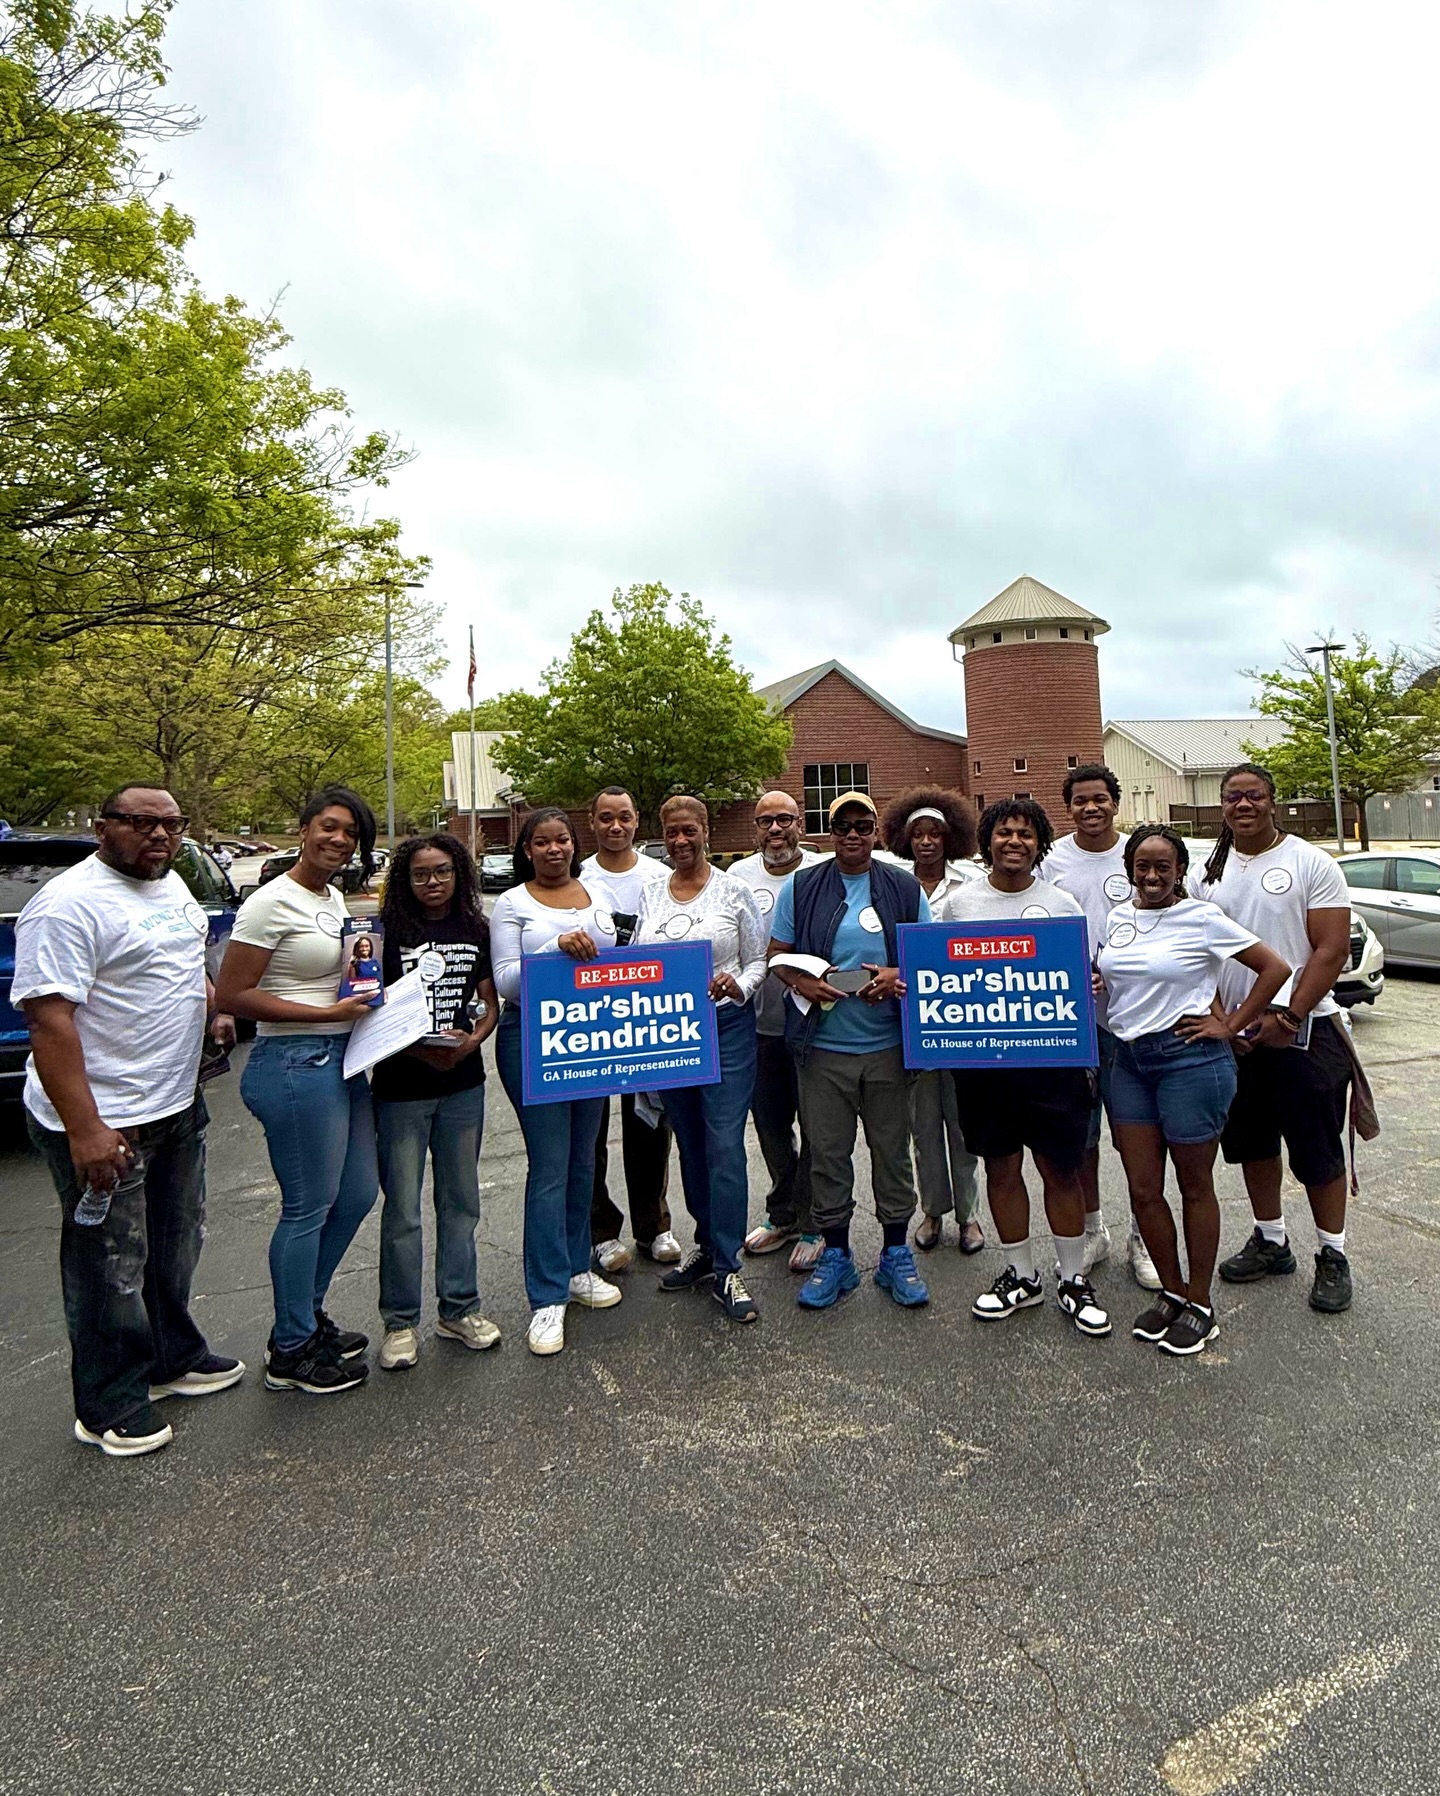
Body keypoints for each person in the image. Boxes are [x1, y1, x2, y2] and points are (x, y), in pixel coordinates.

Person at [15, 783, 244, 1458]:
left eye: (171, 824)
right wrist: (85, 1129)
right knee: (108, 1268)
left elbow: (182, 964)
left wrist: (213, 1007)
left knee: (174, 1245)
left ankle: (172, 1357)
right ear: (102, 827)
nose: (159, 836)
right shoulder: (66, 905)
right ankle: (108, 1403)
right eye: (141, 823)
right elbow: (49, 1022)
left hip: (175, 1104)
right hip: (107, 1118)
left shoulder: (168, 884)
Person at [1095, 825, 1290, 1355]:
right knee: (1142, 1189)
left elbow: (1274, 968)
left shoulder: (1202, 917)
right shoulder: (1119, 918)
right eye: (1142, 866)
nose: (1152, 875)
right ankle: (1173, 1292)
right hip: (1129, 1061)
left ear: (1180, 870)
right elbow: (1123, 973)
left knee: (1194, 1185)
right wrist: (1104, 980)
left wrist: (1231, 1025)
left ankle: (1200, 1303)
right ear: (1129, 869)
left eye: (1163, 866)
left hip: (1190, 1060)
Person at [217, 785, 381, 1396]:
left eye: (350, 834)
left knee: (357, 1193)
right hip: (294, 1061)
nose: (339, 840)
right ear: (304, 828)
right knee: (308, 1207)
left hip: (344, 1058)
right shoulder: (269, 902)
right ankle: (291, 1350)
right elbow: (233, 994)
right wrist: (324, 1015)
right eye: (329, 827)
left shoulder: (332, 897)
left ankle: (304, 1318)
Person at [934, 798, 1110, 1338]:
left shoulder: (1061, 904)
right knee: (1001, 1169)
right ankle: (1021, 1275)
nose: (1015, 842)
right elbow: (937, 970)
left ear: (1039, 845)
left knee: (1061, 1169)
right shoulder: (959, 905)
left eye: (1026, 834)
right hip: (984, 1064)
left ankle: (1073, 1278)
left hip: (1052, 1062)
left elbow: (1083, 969)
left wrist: (1089, 980)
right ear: (987, 840)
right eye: (1005, 832)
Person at [1191, 763, 1358, 1312]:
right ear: (1222, 804)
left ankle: (1332, 1254)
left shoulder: (1310, 862)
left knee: (1316, 1149)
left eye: (1254, 795)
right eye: (1233, 797)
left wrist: (1287, 1017)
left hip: (1302, 1031)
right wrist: (1227, 1022)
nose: (1244, 805)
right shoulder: (1205, 873)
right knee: (1253, 1144)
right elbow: (1197, 955)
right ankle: (1271, 1240)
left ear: (1272, 801)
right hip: (1236, 1034)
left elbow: (1331, 949)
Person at [768, 791, 932, 1311]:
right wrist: (804, 983)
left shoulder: (903, 887)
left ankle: (895, 1253)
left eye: (863, 826)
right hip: (823, 1048)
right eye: (843, 827)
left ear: (877, 832)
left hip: (888, 1045)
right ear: (830, 831)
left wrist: (898, 973)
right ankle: (836, 1254)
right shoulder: (802, 886)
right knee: (828, 1155)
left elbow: (931, 957)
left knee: (892, 1153)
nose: (853, 835)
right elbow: (777, 955)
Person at [491, 808, 621, 1356]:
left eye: (562, 839)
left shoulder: (598, 895)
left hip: (593, 1035)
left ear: (574, 844)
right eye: (541, 842)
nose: (553, 849)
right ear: (527, 850)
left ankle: (575, 1268)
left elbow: (622, 957)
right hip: (534, 1038)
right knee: (549, 1167)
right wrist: (554, 947)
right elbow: (505, 982)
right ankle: (546, 1296)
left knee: (582, 1161)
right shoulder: (511, 903)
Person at [371, 834, 501, 1371]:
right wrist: (414, 1046)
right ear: (405, 879)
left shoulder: (475, 928)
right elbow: (368, 1006)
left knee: (461, 1202)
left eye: (443, 871)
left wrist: (473, 1041)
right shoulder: (386, 933)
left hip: (463, 1084)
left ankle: (459, 1308)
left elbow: (489, 1003)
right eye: (421, 873)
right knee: (402, 1209)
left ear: (458, 874)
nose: (432, 882)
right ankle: (400, 1322)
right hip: (401, 1087)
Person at [635, 795, 767, 1324]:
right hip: (672, 1033)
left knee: (723, 1144)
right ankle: (707, 1246)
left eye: (689, 830)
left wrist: (739, 985)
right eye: (672, 832)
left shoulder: (734, 890)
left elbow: (758, 960)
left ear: (706, 830)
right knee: (689, 1142)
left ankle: (729, 1263)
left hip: (726, 1028)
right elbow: (639, 959)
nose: (680, 840)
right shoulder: (651, 892)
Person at [1044, 763, 1159, 1286]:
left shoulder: (1140, 855)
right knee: (1082, 1136)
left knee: (1138, 1136)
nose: (1091, 808)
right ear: (1068, 807)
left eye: (1100, 799)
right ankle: (1094, 1230)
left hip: (1135, 1020)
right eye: (1080, 800)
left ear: (1116, 802)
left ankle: (1143, 1233)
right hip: (1073, 1023)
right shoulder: (1051, 861)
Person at [879, 786, 986, 1256]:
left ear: (951, 836)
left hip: (961, 1018)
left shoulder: (972, 883)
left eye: (935, 834)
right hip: (910, 1019)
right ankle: (933, 1210)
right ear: (905, 839)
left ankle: (969, 1214)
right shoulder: (890, 882)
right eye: (917, 834)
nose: (926, 842)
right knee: (922, 1125)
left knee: (962, 1124)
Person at [578, 787, 680, 1272]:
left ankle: (653, 1225)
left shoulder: (659, 876)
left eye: (623, 817)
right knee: (590, 1129)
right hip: (591, 1016)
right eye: (605, 818)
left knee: (649, 1123)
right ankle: (601, 1230)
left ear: (637, 821)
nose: (615, 826)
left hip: (646, 1012)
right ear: (591, 822)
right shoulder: (579, 877)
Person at [732, 790, 825, 1272]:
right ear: (755, 827)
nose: (775, 829)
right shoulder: (737, 877)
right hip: (756, 1026)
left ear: (800, 823)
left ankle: (813, 1222)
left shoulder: (822, 872)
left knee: (817, 1126)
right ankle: (783, 1212)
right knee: (770, 1126)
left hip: (815, 1024)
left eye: (784, 819)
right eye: (765, 821)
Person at [345, 935, 382, 999]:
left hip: (377, 993)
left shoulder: (375, 962)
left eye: (367, 946)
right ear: (357, 948)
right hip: (361, 995)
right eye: (361, 946)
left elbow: (379, 979)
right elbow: (352, 983)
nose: (364, 949)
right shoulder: (354, 964)